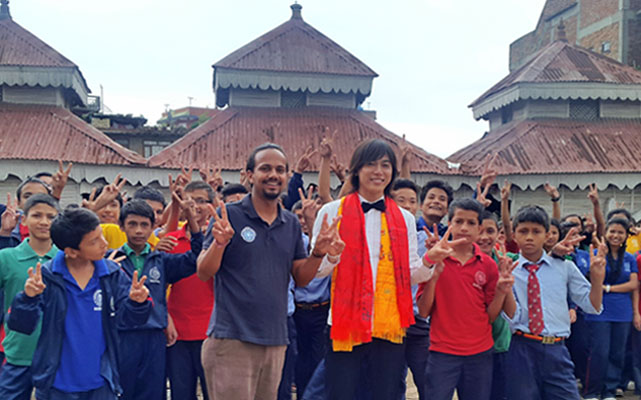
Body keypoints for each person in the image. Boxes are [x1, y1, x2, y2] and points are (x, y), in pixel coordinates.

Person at [197, 142, 344, 400]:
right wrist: (220, 244)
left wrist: (318, 252)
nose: (273, 174)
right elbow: (204, 271)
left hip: (276, 340)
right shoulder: (228, 216)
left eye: (280, 169)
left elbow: (300, 277)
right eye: (265, 168)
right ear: (251, 174)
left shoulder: (290, 223)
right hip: (232, 339)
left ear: (287, 176)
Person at [312, 139, 433, 400]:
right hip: (346, 324)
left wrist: (430, 261)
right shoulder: (332, 212)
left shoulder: (405, 218)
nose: (378, 171)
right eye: (371, 164)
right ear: (356, 170)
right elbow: (317, 272)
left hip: (388, 326)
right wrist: (330, 256)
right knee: (341, 393)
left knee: (386, 394)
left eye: (385, 165)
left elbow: (411, 275)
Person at [6, 206, 151, 400]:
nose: (104, 243)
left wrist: (137, 303)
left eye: (101, 236)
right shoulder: (47, 277)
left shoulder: (111, 274)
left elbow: (129, 320)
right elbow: (21, 325)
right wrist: (28, 298)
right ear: (72, 252)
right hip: (57, 385)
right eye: (94, 241)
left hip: (102, 382)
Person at [504, 205, 606, 400]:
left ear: (548, 235)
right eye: (523, 231)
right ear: (514, 235)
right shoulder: (509, 270)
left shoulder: (565, 267)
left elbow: (592, 306)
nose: (529, 237)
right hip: (521, 347)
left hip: (556, 350)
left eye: (537, 231)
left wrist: (597, 278)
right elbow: (510, 315)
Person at [418, 198, 516, 400]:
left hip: (479, 353)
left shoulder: (488, 265)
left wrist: (501, 291)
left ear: (480, 228)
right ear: (450, 223)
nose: (464, 228)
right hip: (442, 352)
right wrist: (434, 277)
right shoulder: (434, 259)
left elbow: (489, 316)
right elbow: (424, 311)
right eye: (458, 221)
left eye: (471, 223)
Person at [113, 198, 202, 400]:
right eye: (132, 224)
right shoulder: (111, 261)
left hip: (154, 336)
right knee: (122, 390)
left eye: (144, 225)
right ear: (122, 226)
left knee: (153, 392)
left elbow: (197, 257)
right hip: (122, 336)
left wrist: (193, 223)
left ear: (153, 227)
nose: (138, 231)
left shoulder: (161, 260)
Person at [0, 194, 59, 400]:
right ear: (23, 220)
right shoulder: (6, 257)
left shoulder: (66, 260)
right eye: (37, 215)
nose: (44, 222)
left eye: (51, 217)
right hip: (18, 352)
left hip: (56, 355)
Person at [165, 182, 214, 400]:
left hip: (212, 330)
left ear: (212, 205)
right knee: (181, 393)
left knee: (214, 392)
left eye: (201, 200)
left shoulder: (220, 240)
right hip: (178, 331)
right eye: (190, 200)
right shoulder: (171, 240)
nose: (195, 205)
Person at [583, 218, 638, 400]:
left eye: (620, 232)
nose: (616, 235)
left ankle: (610, 390)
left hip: (622, 312)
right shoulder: (597, 254)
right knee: (599, 351)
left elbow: (632, 284)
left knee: (617, 352)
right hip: (599, 310)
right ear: (605, 233)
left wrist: (607, 288)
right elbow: (591, 280)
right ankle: (592, 391)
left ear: (626, 236)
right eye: (612, 231)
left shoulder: (629, 258)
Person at [391, 178, 430, 400]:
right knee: (392, 380)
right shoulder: (379, 237)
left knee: (427, 379)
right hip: (389, 320)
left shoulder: (425, 239)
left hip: (417, 319)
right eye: (400, 200)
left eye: (412, 201)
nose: (407, 205)